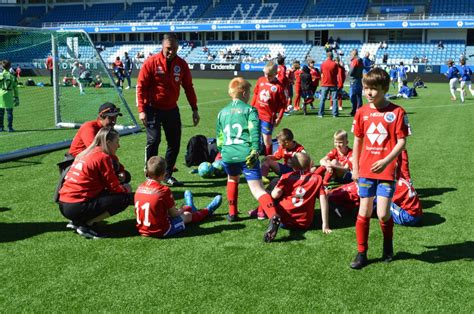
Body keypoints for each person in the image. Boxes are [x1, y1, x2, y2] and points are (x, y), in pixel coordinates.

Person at [350, 68, 410, 269]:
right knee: (364, 211)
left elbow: (401, 142)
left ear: (385, 89)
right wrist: (355, 167)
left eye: (373, 89)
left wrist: (386, 161)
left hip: (386, 171)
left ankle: (388, 242)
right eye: (366, 88)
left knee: (383, 213)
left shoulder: (397, 112)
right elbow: (357, 141)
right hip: (366, 170)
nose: (368, 93)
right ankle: (361, 252)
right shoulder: (361, 112)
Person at [216, 77, 280, 242]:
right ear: (243, 93)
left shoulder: (221, 112)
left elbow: (219, 138)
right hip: (246, 154)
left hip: (229, 154)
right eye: (249, 92)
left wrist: (223, 152)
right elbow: (254, 131)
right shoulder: (250, 110)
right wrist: (255, 150)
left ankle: (232, 213)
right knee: (258, 189)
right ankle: (273, 216)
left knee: (232, 179)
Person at [136, 32, 200, 187]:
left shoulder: (182, 64)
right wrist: (141, 110)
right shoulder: (151, 62)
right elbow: (141, 86)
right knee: (154, 140)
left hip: (171, 108)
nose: (172, 52)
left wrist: (194, 109)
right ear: (162, 46)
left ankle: (167, 174)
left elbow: (188, 88)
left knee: (175, 142)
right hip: (152, 108)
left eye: (175, 49)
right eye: (169, 48)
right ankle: (150, 175)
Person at [58, 128, 134, 239]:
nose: (118, 145)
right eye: (117, 142)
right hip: (76, 206)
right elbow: (114, 188)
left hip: (63, 203)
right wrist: (127, 190)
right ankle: (87, 225)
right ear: (108, 142)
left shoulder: (86, 153)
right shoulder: (103, 157)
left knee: (118, 184)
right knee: (124, 198)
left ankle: (77, 220)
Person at [134, 156, 222, 238]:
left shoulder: (139, 187)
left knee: (180, 210)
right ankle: (207, 210)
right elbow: (174, 214)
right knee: (187, 215)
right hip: (161, 231)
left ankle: (191, 207)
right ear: (164, 173)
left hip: (142, 229)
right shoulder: (163, 190)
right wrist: (183, 209)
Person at [265, 152, 332, 234]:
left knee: (274, 184)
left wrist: (275, 188)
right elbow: (323, 200)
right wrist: (325, 224)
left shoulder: (286, 176)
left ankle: (270, 214)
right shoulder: (317, 178)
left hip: (284, 221)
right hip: (304, 223)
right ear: (309, 165)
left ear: (292, 166)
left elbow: (275, 195)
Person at [250, 61, 286, 156]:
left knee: (267, 140)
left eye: (269, 75)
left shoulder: (278, 87)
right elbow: (256, 95)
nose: (267, 77)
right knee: (254, 137)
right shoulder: (260, 80)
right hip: (256, 114)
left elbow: (283, 104)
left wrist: (279, 117)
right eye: (265, 74)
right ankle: (254, 157)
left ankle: (268, 160)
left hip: (268, 117)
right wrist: (251, 108)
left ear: (275, 74)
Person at [0, 60, 19, 132]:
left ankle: (1, 127)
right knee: (9, 112)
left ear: (2, 67)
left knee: (1, 112)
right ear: (9, 66)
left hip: (1, 94)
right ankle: (10, 128)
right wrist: (16, 97)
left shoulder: (1, 75)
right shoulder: (12, 76)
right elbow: (15, 88)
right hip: (9, 94)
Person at [318, 51, 339, 118]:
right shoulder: (335, 64)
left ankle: (320, 113)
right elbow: (336, 73)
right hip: (333, 84)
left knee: (322, 99)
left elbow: (320, 72)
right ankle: (335, 114)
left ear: (327, 56)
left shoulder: (323, 64)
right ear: (332, 56)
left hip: (325, 84)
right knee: (334, 99)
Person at [349, 49, 363, 116]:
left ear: (354, 54)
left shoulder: (355, 61)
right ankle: (359, 110)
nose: (350, 56)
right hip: (359, 79)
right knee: (359, 96)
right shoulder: (360, 60)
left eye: (351, 54)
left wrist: (349, 72)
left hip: (354, 80)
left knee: (353, 96)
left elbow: (351, 72)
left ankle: (354, 111)